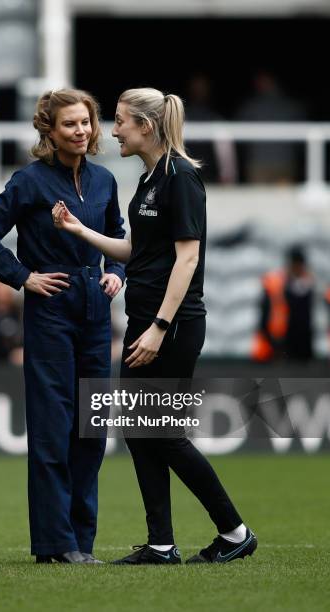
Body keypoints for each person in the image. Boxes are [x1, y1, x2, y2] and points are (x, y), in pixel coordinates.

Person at [52, 87, 257, 565]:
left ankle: (234, 531)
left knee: (161, 432)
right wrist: (82, 233)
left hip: (173, 326)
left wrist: (161, 326)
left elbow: (188, 258)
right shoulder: (148, 179)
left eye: (120, 120)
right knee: (141, 431)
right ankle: (161, 544)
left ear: (145, 125)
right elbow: (139, 253)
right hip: (146, 321)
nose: (112, 129)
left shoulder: (180, 177)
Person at [0, 88, 125, 564]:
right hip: (51, 313)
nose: (81, 131)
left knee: (91, 432)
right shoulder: (30, 181)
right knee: (54, 430)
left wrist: (116, 273)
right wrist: (22, 277)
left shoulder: (104, 181)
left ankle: (81, 543)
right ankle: (56, 545)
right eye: (70, 124)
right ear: (49, 131)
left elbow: (117, 235)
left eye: (86, 123)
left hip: (96, 315)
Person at [252, 246, 314, 362]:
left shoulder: (307, 285)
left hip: (299, 343)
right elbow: (266, 314)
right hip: (278, 341)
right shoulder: (277, 284)